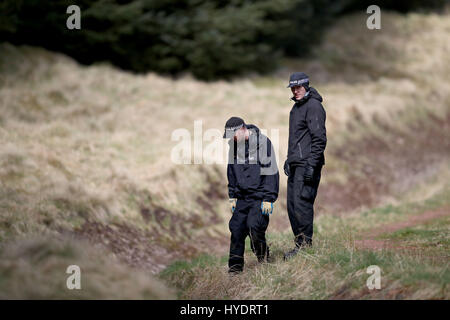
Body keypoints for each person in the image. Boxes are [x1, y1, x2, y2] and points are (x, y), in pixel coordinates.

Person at [224, 116, 279, 273]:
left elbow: (271, 171)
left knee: (254, 227)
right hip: (242, 196)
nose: (231, 139)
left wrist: (269, 198)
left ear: (242, 129)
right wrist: (232, 195)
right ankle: (235, 270)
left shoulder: (263, 143)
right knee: (236, 229)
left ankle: (263, 259)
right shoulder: (233, 146)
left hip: (260, 196)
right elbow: (231, 171)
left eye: (232, 135)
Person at [283, 72, 327, 260]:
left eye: (298, 87)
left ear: (306, 86)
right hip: (296, 163)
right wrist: (289, 158)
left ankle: (305, 247)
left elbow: (319, 139)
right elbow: (297, 138)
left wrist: (312, 165)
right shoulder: (296, 108)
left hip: (308, 164)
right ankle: (299, 245)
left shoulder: (314, 106)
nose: (295, 90)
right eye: (293, 88)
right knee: (292, 206)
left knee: (302, 205)